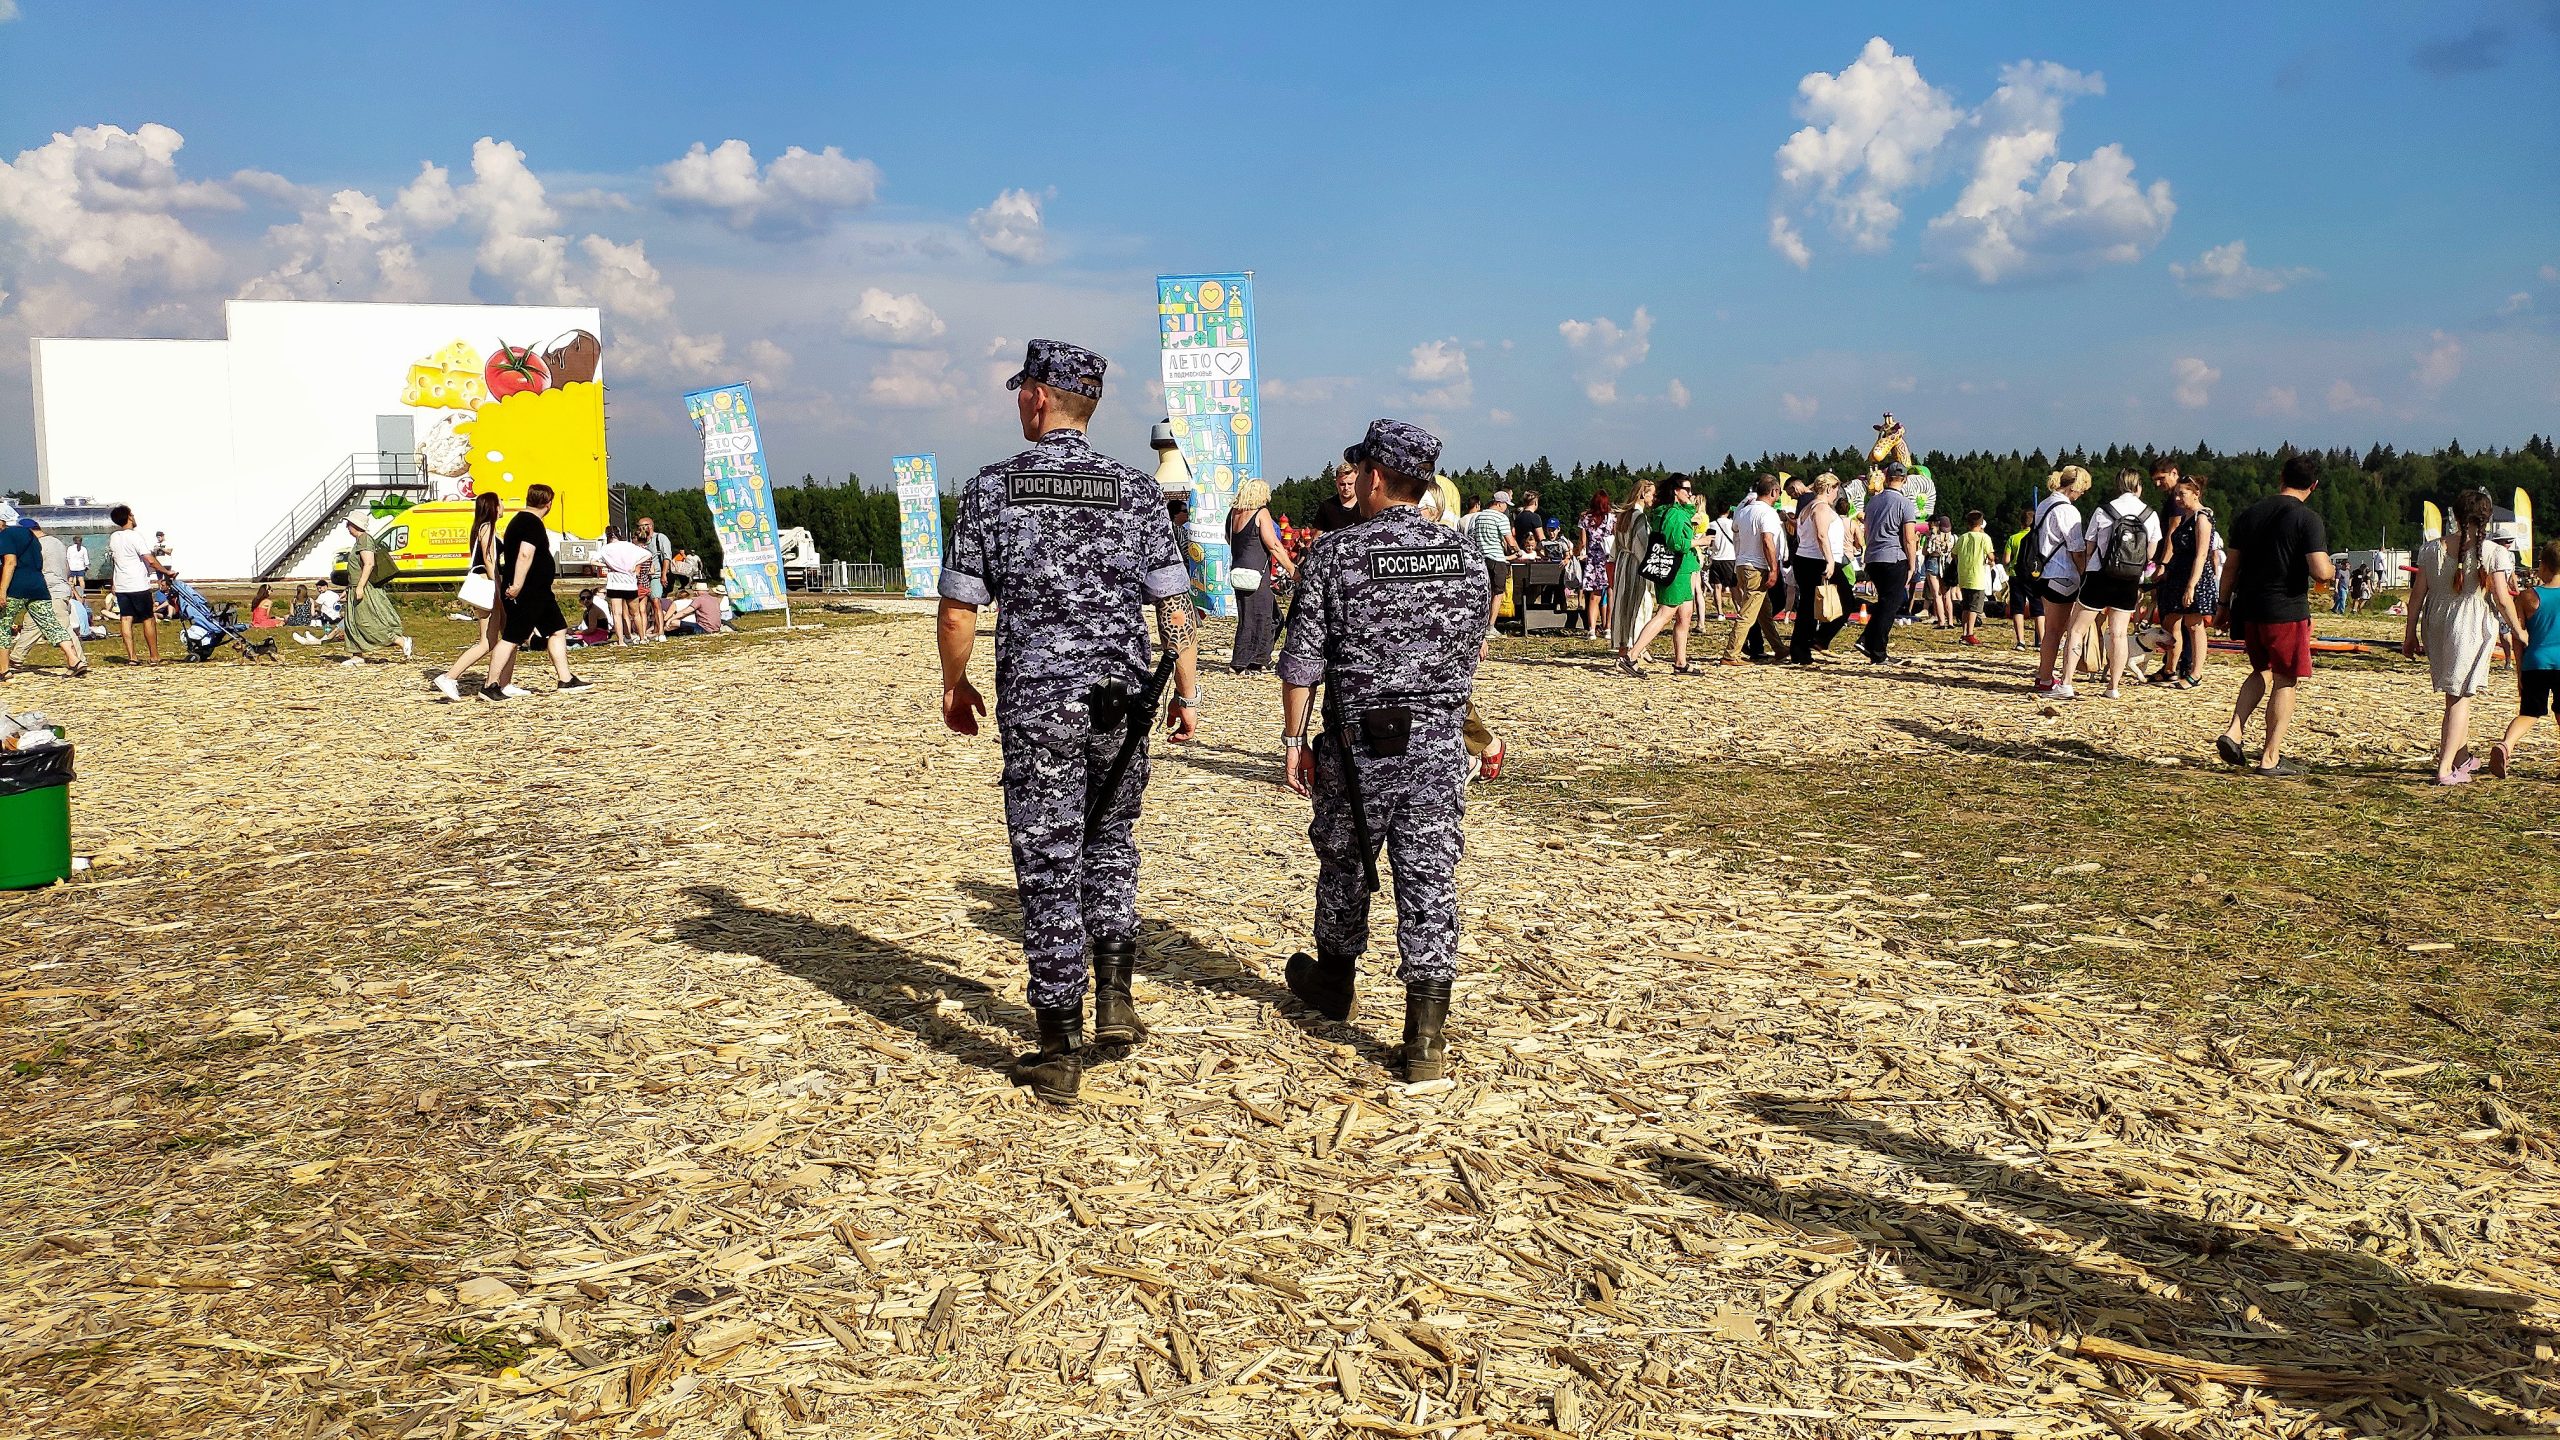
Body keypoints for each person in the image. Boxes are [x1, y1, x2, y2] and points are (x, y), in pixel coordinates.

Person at [938, 339, 1200, 1106]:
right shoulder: (1135, 489)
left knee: (1049, 862)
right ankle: (1115, 995)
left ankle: (1059, 1043)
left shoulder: (994, 487)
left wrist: (954, 686)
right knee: (1111, 840)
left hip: (1040, 704)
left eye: (1022, 388)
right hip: (1123, 703)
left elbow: (960, 609)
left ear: (1038, 398)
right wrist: (1185, 693)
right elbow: (1174, 607)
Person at [1279, 418, 1488, 1083]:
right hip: (1436, 744)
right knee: (1429, 878)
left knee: (1344, 862)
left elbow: (1302, 663)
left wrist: (1293, 741)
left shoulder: (1337, 554)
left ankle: (1335, 983)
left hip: (1358, 745)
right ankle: (1425, 1038)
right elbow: (1472, 652)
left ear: (1372, 477)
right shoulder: (1466, 557)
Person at [2215, 454, 2333, 775]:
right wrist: (2332, 571)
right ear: (2314, 485)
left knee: (2261, 671)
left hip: (2248, 607)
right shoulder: (2307, 519)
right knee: (2285, 679)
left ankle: (2234, 731)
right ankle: (2270, 757)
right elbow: (2321, 572)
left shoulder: (2249, 514)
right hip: (2286, 609)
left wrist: (2222, 605)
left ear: (2280, 477)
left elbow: (2231, 566)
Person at [2405, 490, 2528, 785]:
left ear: (2455, 516)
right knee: (2459, 697)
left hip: (2435, 623)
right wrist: (2519, 631)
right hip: (2470, 625)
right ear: (2487, 519)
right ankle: (2446, 768)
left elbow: (2417, 595)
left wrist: (2409, 634)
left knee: (2455, 693)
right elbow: (2502, 598)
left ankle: (2462, 756)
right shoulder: (2494, 552)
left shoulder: (2431, 549)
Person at [484, 484, 594, 700]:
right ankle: (490, 685)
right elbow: (525, 555)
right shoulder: (531, 523)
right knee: (512, 637)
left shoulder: (519, 521)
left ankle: (565, 679)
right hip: (528, 591)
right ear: (548, 503)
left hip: (540, 592)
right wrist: (516, 586)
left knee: (558, 629)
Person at [2081, 470, 2162, 699]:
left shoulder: (2103, 511)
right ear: (2139, 487)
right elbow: (2151, 551)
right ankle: (2113, 687)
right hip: (2129, 577)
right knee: (2119, 632)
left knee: (2079, 629)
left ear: (2118, 486)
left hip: (2100, 573)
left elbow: (2090, 545)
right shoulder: (2150, 514)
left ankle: (2067, 681)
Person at [2488, 539, 2560, 778]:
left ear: (2544, 566)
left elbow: (2518, 638)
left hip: (2535, 662)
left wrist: (2520, 673)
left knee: (2529, 713)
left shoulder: (2528, 597)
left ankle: (2506, 745)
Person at [1621, 473, 1701, 674]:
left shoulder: (1671, 511)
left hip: (1682, 569)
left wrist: (1689, 508)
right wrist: (1700, 542)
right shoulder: (1674, 513)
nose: (1691, 494)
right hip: (1676, 570)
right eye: (1687, 490)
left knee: (1685, 614)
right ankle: (1631, 656)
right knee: (1665, 613)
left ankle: (1681, 662)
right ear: (1676, 491)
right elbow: (1675, 543)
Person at [435, 492, 509, 701]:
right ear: (493, 507)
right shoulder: (487, 528)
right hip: (486, 585)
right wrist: (497, 589)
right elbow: (489, 560)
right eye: (500, 502)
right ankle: (450, 676)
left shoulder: (482, 527)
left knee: (493, 640)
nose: (503, 505)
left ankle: (499, 682)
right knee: (486, 642)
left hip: (486, 584)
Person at [2031, 468, 2093, 696]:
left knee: (2051, 630)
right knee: (2059, 631)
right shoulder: (2067, 511)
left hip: (2045, 572)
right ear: (2074, 487)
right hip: (2064, 574)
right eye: (2082, 490)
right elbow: (2076, 549)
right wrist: (2086, 575)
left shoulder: (2044, 505)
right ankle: (2048, 678)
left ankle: (2043, 674)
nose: (2081, 495)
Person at [2149, 481, 2218, 688]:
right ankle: (2173, 668)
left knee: (2195, 625)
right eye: (2176, 494)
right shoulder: (2185, 517)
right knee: (2180, 623)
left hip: (2194, 578)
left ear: (2196, 493)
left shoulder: (2202, 518)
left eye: (2182, 494)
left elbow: (2202, 554)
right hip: (2178, 576)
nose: (2178, 498)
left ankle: (2196, 673)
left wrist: (2192, 585)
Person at [1, 517, 88, 679]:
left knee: (5, 625)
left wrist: (3, 589)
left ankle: (5, 668)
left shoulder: (20, 539)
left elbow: (14, 563)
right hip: (47, 587)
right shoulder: (51, 541)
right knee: (47, 624)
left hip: (32, 587)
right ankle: (73, 659)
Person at [1227, 478, 1297, 672]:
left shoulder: (1233, 514)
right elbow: (1273, 544)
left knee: (1247, 617)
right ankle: (1257, 660)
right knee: (1265, 617)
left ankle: (1243, 659)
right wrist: (1292, 569)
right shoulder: (1261, 513)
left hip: (1239, 570)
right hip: (1257, 573)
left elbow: (1228, 538)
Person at [1857, 462, 1922, 665]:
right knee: (1891, 604)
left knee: (1885, 601)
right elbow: (1909, 538)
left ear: (1886, 478)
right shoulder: (1905, 503)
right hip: (1893, 556)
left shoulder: (1873, 502)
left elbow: (1866, 529)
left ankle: (1867, 640)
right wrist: (1912, 564)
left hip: (1873, 557)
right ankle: (1877, 650)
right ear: (1905, 480)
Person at [1720, 475, 1786, 666]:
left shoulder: (1743, 512)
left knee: (1764, 612)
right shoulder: (1768, 513)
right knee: (1748, 614)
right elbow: (1767, 541)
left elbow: (1735, 530)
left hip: (1741, 563)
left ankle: (1779, 648)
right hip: (1757, 567)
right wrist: (1774, 569)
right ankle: (1730, 653)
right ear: (1774, 492)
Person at [1788, 474, 1853, 664]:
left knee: (1808, 606)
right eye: (1836, 490)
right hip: (1819, 560)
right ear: (1829, 488)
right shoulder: (1821, 508)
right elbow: (1821, 535)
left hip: (1805, 558)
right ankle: (1819, 639)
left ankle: (1801, 649)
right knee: (1846, 601)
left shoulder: (1807, 507)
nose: (1836, 494)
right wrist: (1830, 561)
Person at [337, 517, 413, 666]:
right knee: (353, 622)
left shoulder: (365, 540)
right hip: (354, 587)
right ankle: (357, 655)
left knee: (369, 622)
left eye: (349, 524)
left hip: (364, 588)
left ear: (356, 525)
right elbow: (356, 568)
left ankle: (401, 641)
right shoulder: (359, 541)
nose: (347, 527)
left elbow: (369, 563)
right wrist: (349, 588)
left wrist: (360, 587)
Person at [105, 504, 170, 665]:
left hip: (121, 584)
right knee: (148, 618)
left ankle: (132, 657)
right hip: (138, 584)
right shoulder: (135, 536)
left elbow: (115, 561)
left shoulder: (114, 537)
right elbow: (149, 559)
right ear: (129, 517)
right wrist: (166, 572)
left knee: (126, 618)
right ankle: (154, 656)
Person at [1607, 478, 1658, 656]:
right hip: (1636, 565)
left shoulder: (1624, 515)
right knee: (1639, 605)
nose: (1654, 497)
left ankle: (1624, 648)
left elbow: (1616, 546)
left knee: (1624, 606)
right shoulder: (1638, 517)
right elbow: (1642, 546)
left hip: (1623, 563)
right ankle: (1635, 649)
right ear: (1643, 494)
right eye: (1652, 493)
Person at [1467, 491, 1516, 628]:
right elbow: (1510, 541)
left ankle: (1480, 624)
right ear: (1499, 503)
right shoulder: (1501, 518)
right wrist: (1518, 551)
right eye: (1506, 504)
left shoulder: (1478, 516)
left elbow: (1473, 537)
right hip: (1497, 559)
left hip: (1482, 559)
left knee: (1486, 592)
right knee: (1498, 593)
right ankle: (1491, 626)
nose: (1506, 508)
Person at [598, 526, 650, 645]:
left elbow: (592, 560)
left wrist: (607, 565)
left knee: (617, 613)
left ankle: (621, 641)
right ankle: (642, 638)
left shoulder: (605, 548)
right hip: (629, 583)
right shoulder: (629, 546)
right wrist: (635, 564)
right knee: (635, 612)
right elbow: (647, 554)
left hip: (614, 582)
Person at [1950, 510, 1995, 646]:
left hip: (1964, 576)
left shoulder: (1963, 537)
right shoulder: (1984, 538)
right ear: (1981, 524)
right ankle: (1970, 633)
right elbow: (1991, 555)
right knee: (1974, 608)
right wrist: (1990, 560)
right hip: (1978, 577)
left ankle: (1964, 633)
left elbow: (1954, 554)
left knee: (1966, 606)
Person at [2003, 505, 2040, 651]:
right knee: (2038, 609)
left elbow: (2006, 560)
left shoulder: (2013, 538)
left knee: (2017, 608)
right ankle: (2042, 641)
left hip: (2016, 574)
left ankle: (2021, 641)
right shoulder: (2037, 538)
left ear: (2021, 523)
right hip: (2034, 574)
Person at [1578, 493, 1614, 639]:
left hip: (1593, 560)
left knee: (1594, 595)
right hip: (1609, 558)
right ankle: (1608, 628)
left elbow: (1582, 541)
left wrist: (1578, 552)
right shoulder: (1612, 518)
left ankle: (1592, 629)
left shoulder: (1585, 519)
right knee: (1611, 592)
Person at [637, 516, 674, 638]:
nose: (640, 528)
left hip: (656, 575)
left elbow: (666, 557)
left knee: (656, 601)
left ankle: (661, 632)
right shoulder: (639, 541)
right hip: (643, 577)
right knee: (643, 607)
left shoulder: (660, 538)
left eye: (643, 526)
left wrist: (663, 575)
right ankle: (646, 633)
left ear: (650, 526)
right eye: (639, 526)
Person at [1705, 500, 1739, 620]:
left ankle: (1720, 612)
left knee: (1717, 587)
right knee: (1734, 586)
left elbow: (1709, 543)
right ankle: (1739, 609)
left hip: (1716, 558)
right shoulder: (1733, 524)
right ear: (1729, 511)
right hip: (1730, 558)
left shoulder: (1711, 525)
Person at [1314, 461, 1363, 534]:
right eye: (1342, 484)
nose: (1346, 488)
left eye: (1350, 484)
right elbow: (1317, 536)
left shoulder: (1366, 506)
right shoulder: (1327, 506)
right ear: (1336, 483)